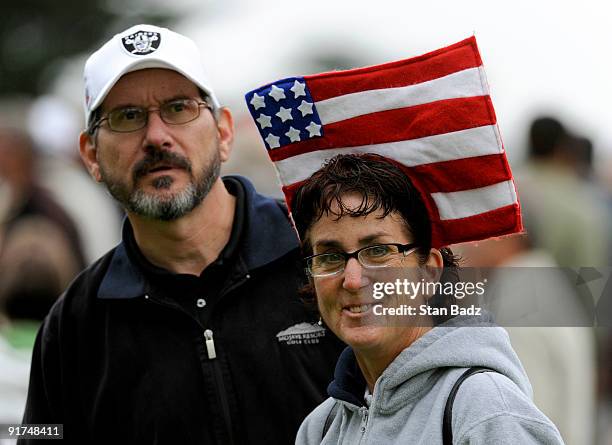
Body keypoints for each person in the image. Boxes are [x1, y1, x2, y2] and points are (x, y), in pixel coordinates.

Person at [20, 24, 343, 444]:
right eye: (127, 116)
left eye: (178, 108)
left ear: (224, 133)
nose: (156, 137)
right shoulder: (72, 326)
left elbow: (442, 349)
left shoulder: (330, 252)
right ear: (91, 155)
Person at [291, 154, 564, 444]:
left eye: (379, 252)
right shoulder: (320, 428)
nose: (353, 279)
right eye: (330, 257)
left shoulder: (485, 412)